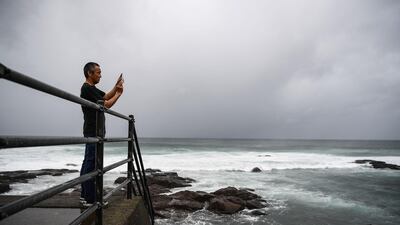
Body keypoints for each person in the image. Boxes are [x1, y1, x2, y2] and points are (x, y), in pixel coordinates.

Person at [80, 62, 124, 204]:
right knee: (91, 164)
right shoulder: (87, 89)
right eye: (98, 72)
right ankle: (90, 199)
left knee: (88, 162)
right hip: (93, 131)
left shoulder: (92, 89)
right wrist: (118, 94)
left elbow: (105, 96)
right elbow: (106, 104)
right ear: (89, 74)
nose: (100, 75)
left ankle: (84, 195)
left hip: (93, 131)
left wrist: (115, 88)